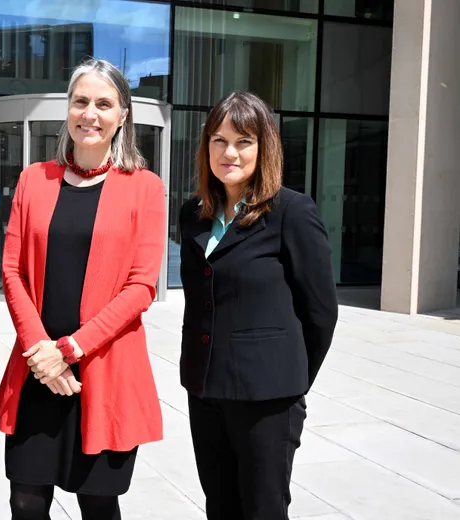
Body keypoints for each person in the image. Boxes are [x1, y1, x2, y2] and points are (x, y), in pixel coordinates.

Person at [0, 58, 166, 520]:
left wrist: (69, 349)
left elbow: (141, 286)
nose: (90, 113)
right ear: (67, 110)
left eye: (103, 104)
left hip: (103, 368)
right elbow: (12, 272)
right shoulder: (34, 179)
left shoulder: (145, 187)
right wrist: (42, 353)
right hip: (38, 369)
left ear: (122, 115)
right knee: (25, 501)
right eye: (81, 101)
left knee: (98, 503)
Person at [178, 90, 338, 520]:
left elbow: (321, 312)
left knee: (263, 510)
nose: (229, 152)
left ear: (263, 147)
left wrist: (292, 382)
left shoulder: (292, 212)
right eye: (219, 140)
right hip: (205, 389)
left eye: (243, 141)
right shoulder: (192, 213)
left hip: (267, 397)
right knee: (220, 507)